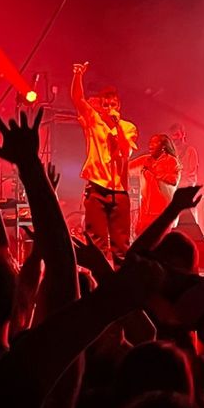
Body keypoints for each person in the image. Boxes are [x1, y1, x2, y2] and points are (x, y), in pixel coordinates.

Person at [71, 62, 138, 264]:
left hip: (119, 191)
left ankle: (121, 286)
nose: (109, 108)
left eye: (113, 105)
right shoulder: (94, 121)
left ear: (119, 106)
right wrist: (77, 75)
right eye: (105, 105)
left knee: (121, 245)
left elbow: (126, 152)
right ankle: (95, 285)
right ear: (101, 105)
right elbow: (77, 99)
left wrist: (116, 125)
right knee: (96, 242)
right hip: (97, 188)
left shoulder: (127, 127)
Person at [129, 133, 181, 233]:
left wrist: (154, 171)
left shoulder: (171, 161)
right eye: (150, 143)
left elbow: (173, 180)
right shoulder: (146, 159)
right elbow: (127, 168)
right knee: (140, 236)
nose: (150, 145)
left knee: (160, 240)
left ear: (163, 147)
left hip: (163, 211)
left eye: (155, 143)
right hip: (146, 211)